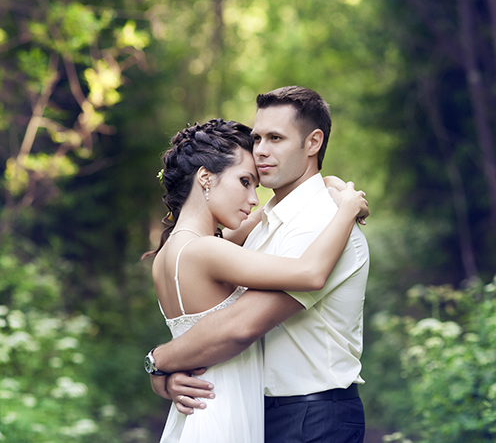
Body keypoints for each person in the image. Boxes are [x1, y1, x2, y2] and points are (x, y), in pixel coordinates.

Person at [146, 86, 370, 443]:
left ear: (313, 143)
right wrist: (163, 368)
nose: (261, 150)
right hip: (254, 411)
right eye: (257, 138)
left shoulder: (325, 223)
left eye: (276, 138)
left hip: (311, 416)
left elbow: (240, 323)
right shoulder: (259, 227)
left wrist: (160, 361)